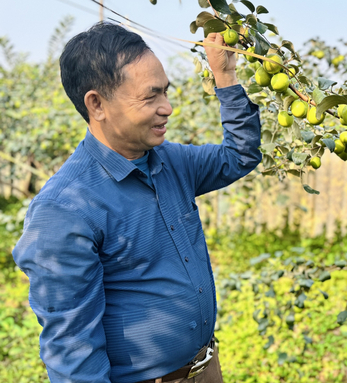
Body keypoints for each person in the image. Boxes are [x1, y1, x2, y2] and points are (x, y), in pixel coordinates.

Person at [12, 22, 261, 383]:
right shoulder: (65, 209)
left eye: (166, 93)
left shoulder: (171, 162)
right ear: (97, 104)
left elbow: (240, 155)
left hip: (205, 369)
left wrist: (225, 74)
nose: (168, 108)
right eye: (151, 97)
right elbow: (72, 349)